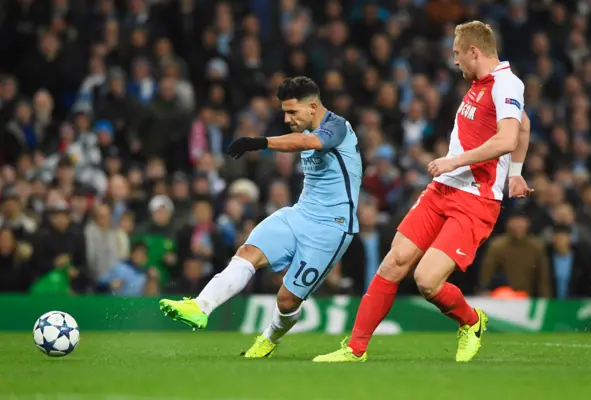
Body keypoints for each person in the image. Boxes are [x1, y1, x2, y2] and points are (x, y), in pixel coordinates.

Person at [314, 21, 533, 364]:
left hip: (475, 200)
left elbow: (508, 138)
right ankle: (355, 349)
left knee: (427, 281)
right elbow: (524, 123)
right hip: (442, 191)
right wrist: (516, 173)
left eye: (458, 54)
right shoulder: (481, 84)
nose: (455, 61)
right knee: (393, 262)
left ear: (475, 51)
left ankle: (472, 322)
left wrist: (455, 161)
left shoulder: (506, 82)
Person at [159, 76, 363, 357]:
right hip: (300, 214)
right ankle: (200, 307)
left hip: (332, 227)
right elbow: (301, 139)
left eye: (293, 112)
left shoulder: (337, 127)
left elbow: (308, 141)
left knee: (287, 299)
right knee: (247, 252)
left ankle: (269, 339)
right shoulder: (305, 129)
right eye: (284, 112)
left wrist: (259, 142)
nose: (288, 119)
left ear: (313, 107)